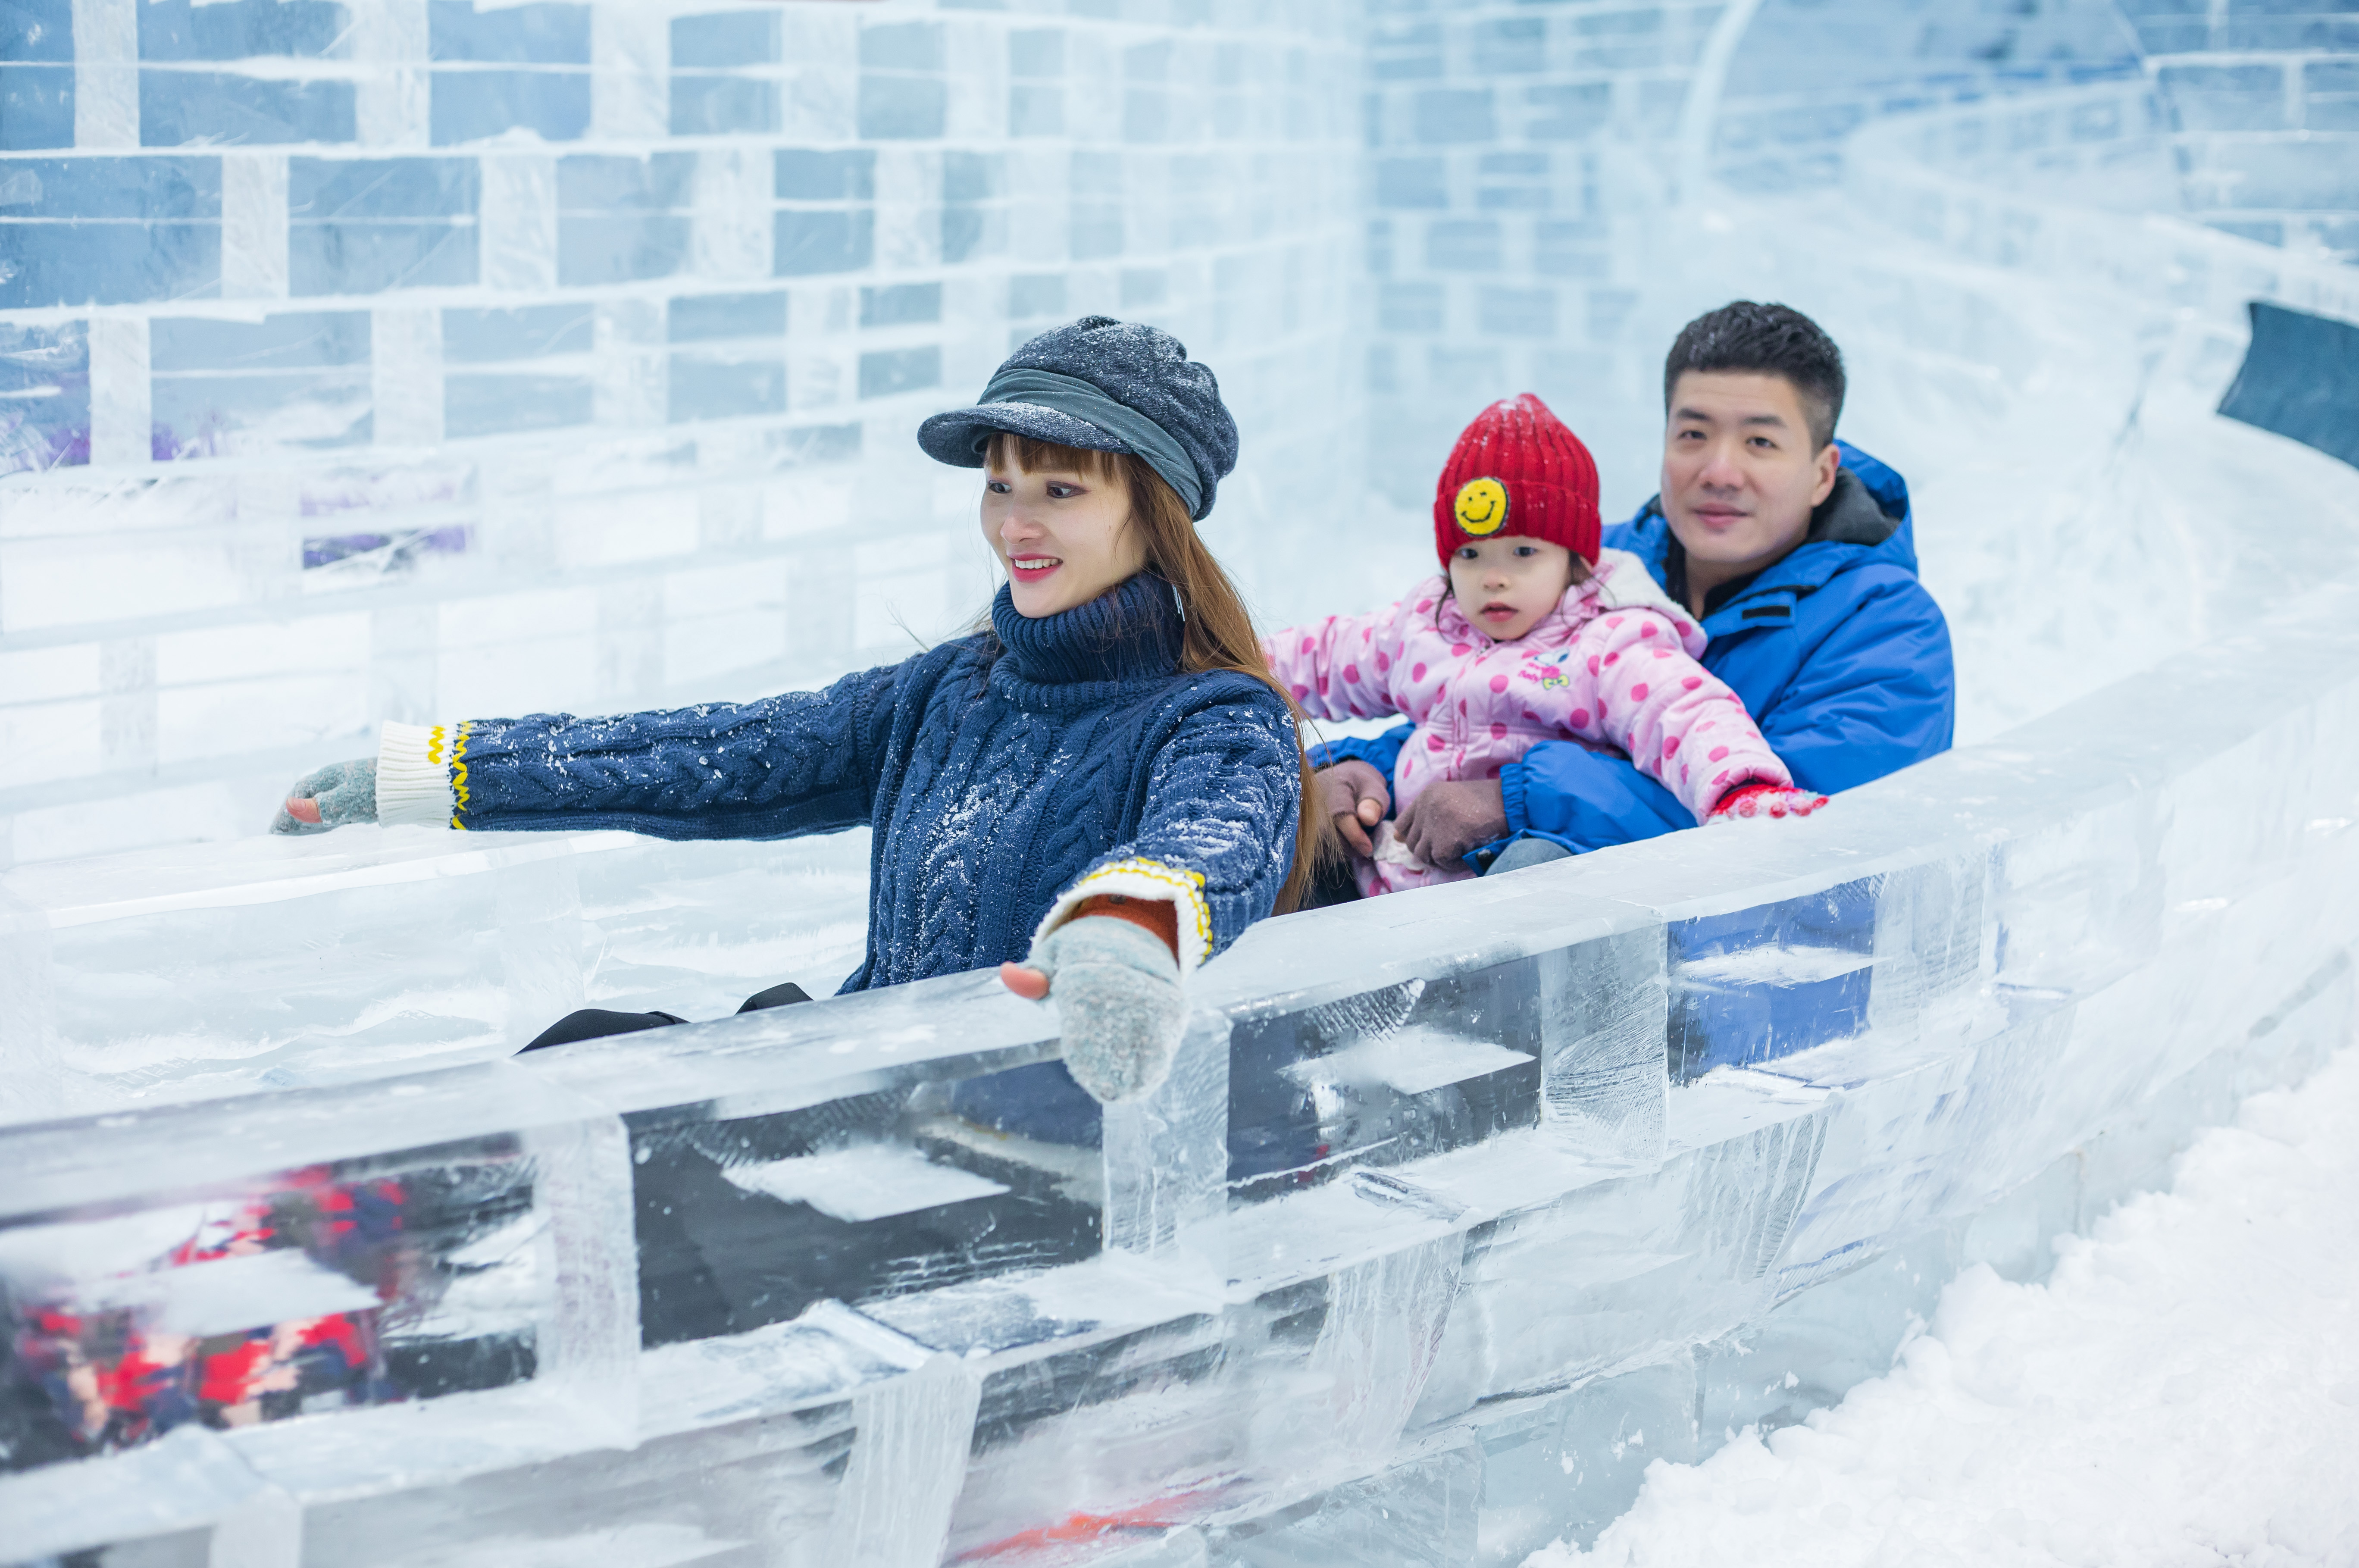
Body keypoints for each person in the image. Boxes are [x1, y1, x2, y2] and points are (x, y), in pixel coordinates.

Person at [270, 316, 1319, 1121]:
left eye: (1060, 491)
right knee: (585, 1056)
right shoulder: (944, 693)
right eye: (1000, 486)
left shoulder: (1220, 719)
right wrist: (441, 772)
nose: (1015, 524)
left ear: (1154, 512)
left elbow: (1213, 841)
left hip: (1021, 1147)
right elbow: (720, 754)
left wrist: (1127, 935)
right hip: (877, 1085)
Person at [1315, 301, 1954, 877]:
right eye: (1693, 434)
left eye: (1760, 441)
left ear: (1822, 474)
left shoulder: (1889, 629)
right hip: (1519, 905)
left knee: (1538, 875)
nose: (1719, 471)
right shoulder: (1591, 571)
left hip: (1733, 958)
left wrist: (1520, 798)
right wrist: (1368, 773)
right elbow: (1476, 702)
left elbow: (1786, 829)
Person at [1263, 394, 1824, 898]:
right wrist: (1234, 667)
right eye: (1471, 555)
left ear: (1575, 560)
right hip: (1405, 867)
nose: (1494, 578)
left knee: (1534, 872)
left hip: (1530, 859)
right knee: (1303, 844)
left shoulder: (1606, 640)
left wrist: (1742, 790)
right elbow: (1324, 656)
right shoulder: (1424, 627)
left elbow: (1680, 710)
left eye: (1524, 553)